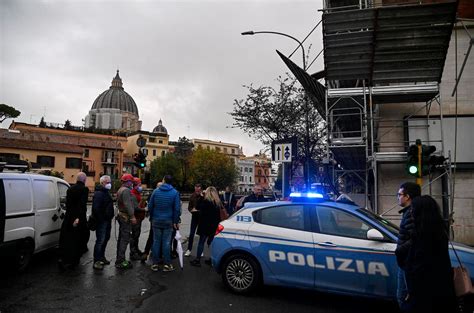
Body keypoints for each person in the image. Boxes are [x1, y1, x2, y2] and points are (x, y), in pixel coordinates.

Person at [403, 195, 457, 313]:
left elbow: (418, 264)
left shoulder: (421, 234)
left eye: (413, 209)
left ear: (420, 211)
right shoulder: (440, 229)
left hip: (425, 291)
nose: (411, 212)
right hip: (442, 289)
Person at [394, 182, 421, 310]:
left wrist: (400, 250)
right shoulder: (410, 212)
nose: (397, 197)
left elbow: (416, 240)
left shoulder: (411, 214)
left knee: (403, 296)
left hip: (407, 263)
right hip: (407, 262)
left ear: (407, 196)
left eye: (399, 194)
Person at [148, 175, 181, 272]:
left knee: (156, 241)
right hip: (168, 221)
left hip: (156, 220)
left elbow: (150, 205)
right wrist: (175, 221)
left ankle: (155, 264)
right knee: (166, 242)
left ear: (164, 181)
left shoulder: (156, 191)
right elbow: (177, 209)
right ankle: (167, 264)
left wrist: (152, 217)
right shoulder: (175, 193)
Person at [58, 172, 89, 269]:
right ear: (84, 180)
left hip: (69, 217)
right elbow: (82, 205)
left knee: (67, 238)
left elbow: (68, 204)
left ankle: (64, 258)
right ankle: (74, 260)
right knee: (79, 238)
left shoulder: (70, 189)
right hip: (78, 218)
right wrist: (78, 218)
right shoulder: (84, 189)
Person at [190, 186, 222, 267]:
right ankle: (212, 260)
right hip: (214, 226)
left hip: (204, 225)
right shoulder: (217, 202)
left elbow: (197, 207)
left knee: (201, 242)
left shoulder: (205, 201)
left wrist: (201, 197)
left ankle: (197, 260)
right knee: (212, 244)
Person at [91, 175, 114, 270]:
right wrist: (102, 219)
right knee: (100, 240)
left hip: (107, 220)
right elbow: (96, 208)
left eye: (109, 182)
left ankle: (101, 257)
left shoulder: (105, 192)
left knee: (105, 239)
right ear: (102, 183)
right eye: (107, 182)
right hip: (102, 221)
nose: (109, 184)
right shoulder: (99, 194)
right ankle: (96, 260)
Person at [115, 173, 137, 269]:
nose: (132, 183)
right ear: (127, 182)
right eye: (131, 181)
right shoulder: (126, 191)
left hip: (121, 216)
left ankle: (119, 258)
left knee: (121, 238)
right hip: (125, 217)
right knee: (125, 239)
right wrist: (132, 216)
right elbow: (128, 205)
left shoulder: (120, 190)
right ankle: (121, 261)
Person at [130, 177, 146, 261]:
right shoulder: (133, 194)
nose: (141, 187)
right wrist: (144, 209)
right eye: (139, 185)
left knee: (137, 235)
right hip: (136, 218)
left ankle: (136, 249)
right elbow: (135, 208)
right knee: (134, 235)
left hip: (139, 217)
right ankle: (133, 253)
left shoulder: (137, 193)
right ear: (135, 186)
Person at [184, 183, 203, 257]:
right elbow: (189, 207)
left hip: (201, 218)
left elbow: (205, 206)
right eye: (196, 187)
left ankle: (200, 250)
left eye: (199, 188)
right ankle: (189, 249)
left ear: (200, 189)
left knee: (201, 235)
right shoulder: (192, 196)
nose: (197, 189)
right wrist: (192, 210)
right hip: (194, 217)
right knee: (191, 234)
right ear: (195, 188)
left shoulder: (203, 196)